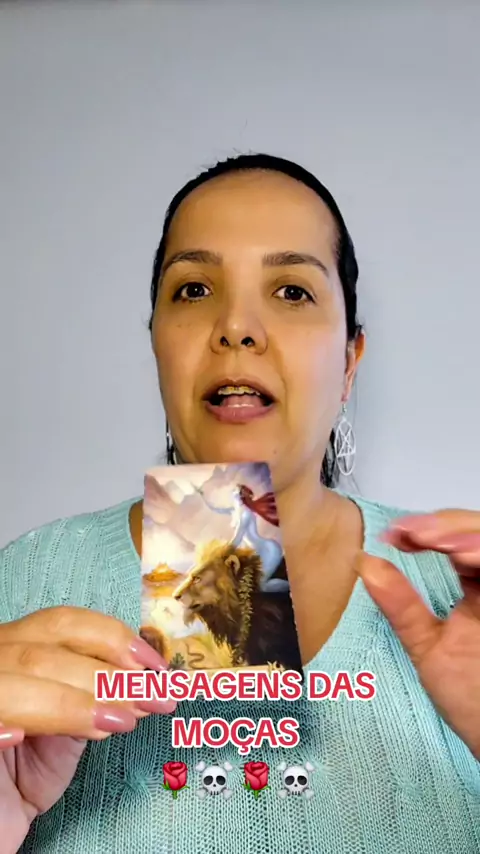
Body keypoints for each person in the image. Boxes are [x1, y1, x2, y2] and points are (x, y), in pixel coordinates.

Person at [0, 153, 478, 854]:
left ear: (350, 361)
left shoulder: (458, 598)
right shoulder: (21, 585)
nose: (236, 327)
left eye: (292, 291)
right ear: (156, 345)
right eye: (194, 289)